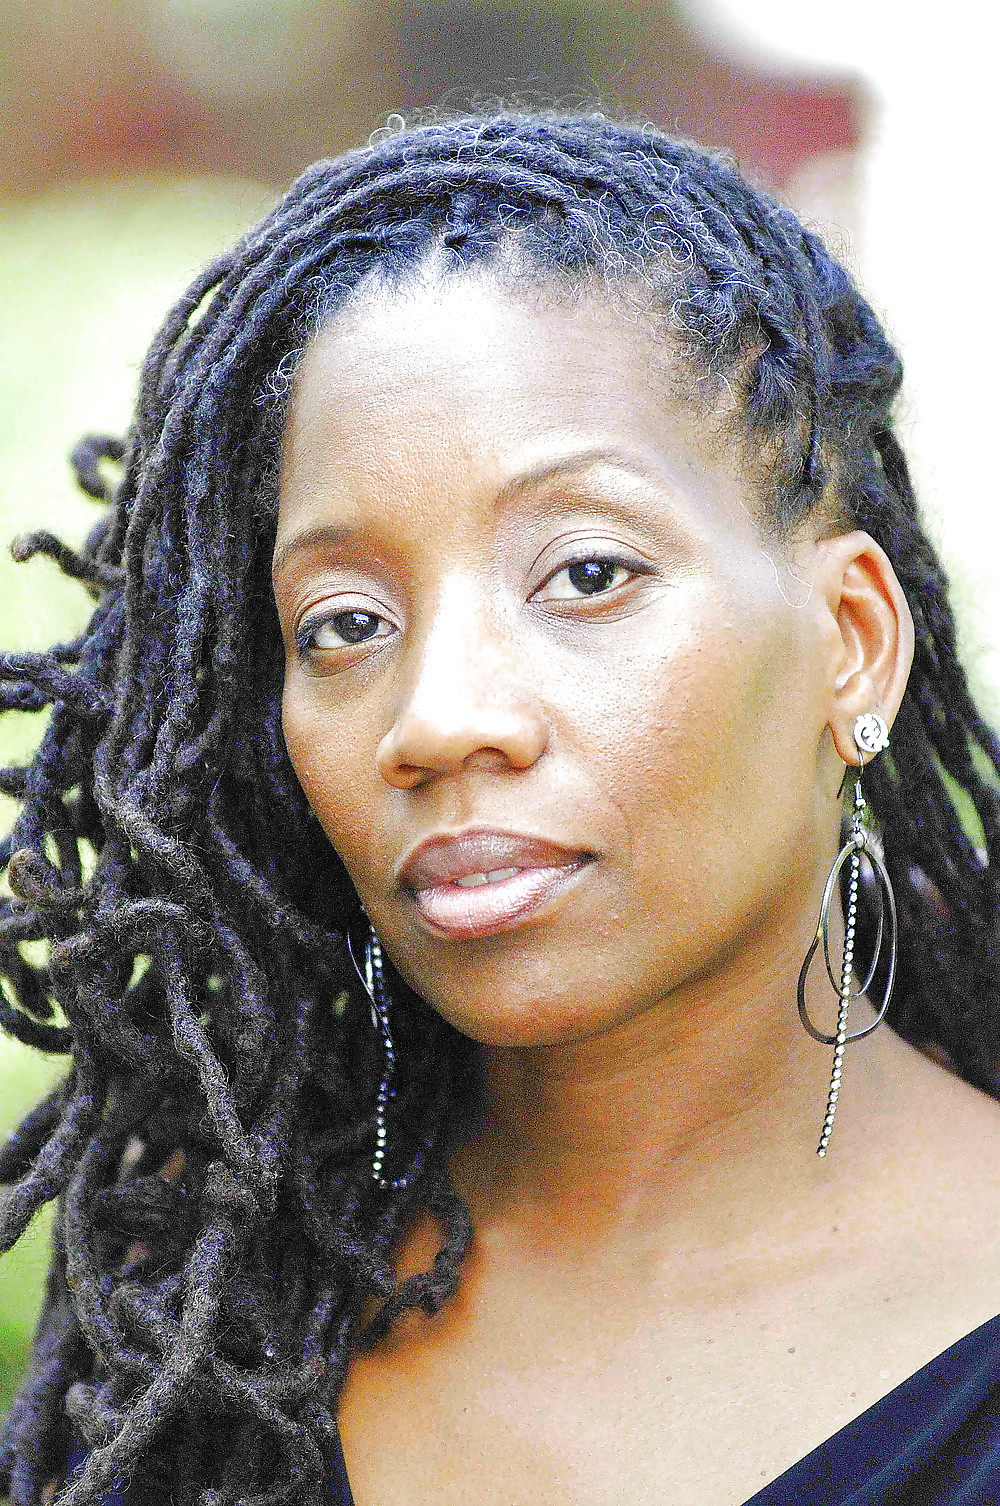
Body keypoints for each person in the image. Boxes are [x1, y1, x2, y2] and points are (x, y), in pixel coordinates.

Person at [1, 111, 999, 1506]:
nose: (435, 718)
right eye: (345, 622)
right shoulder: (203, 1317)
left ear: (852, 642)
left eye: (587, 574)